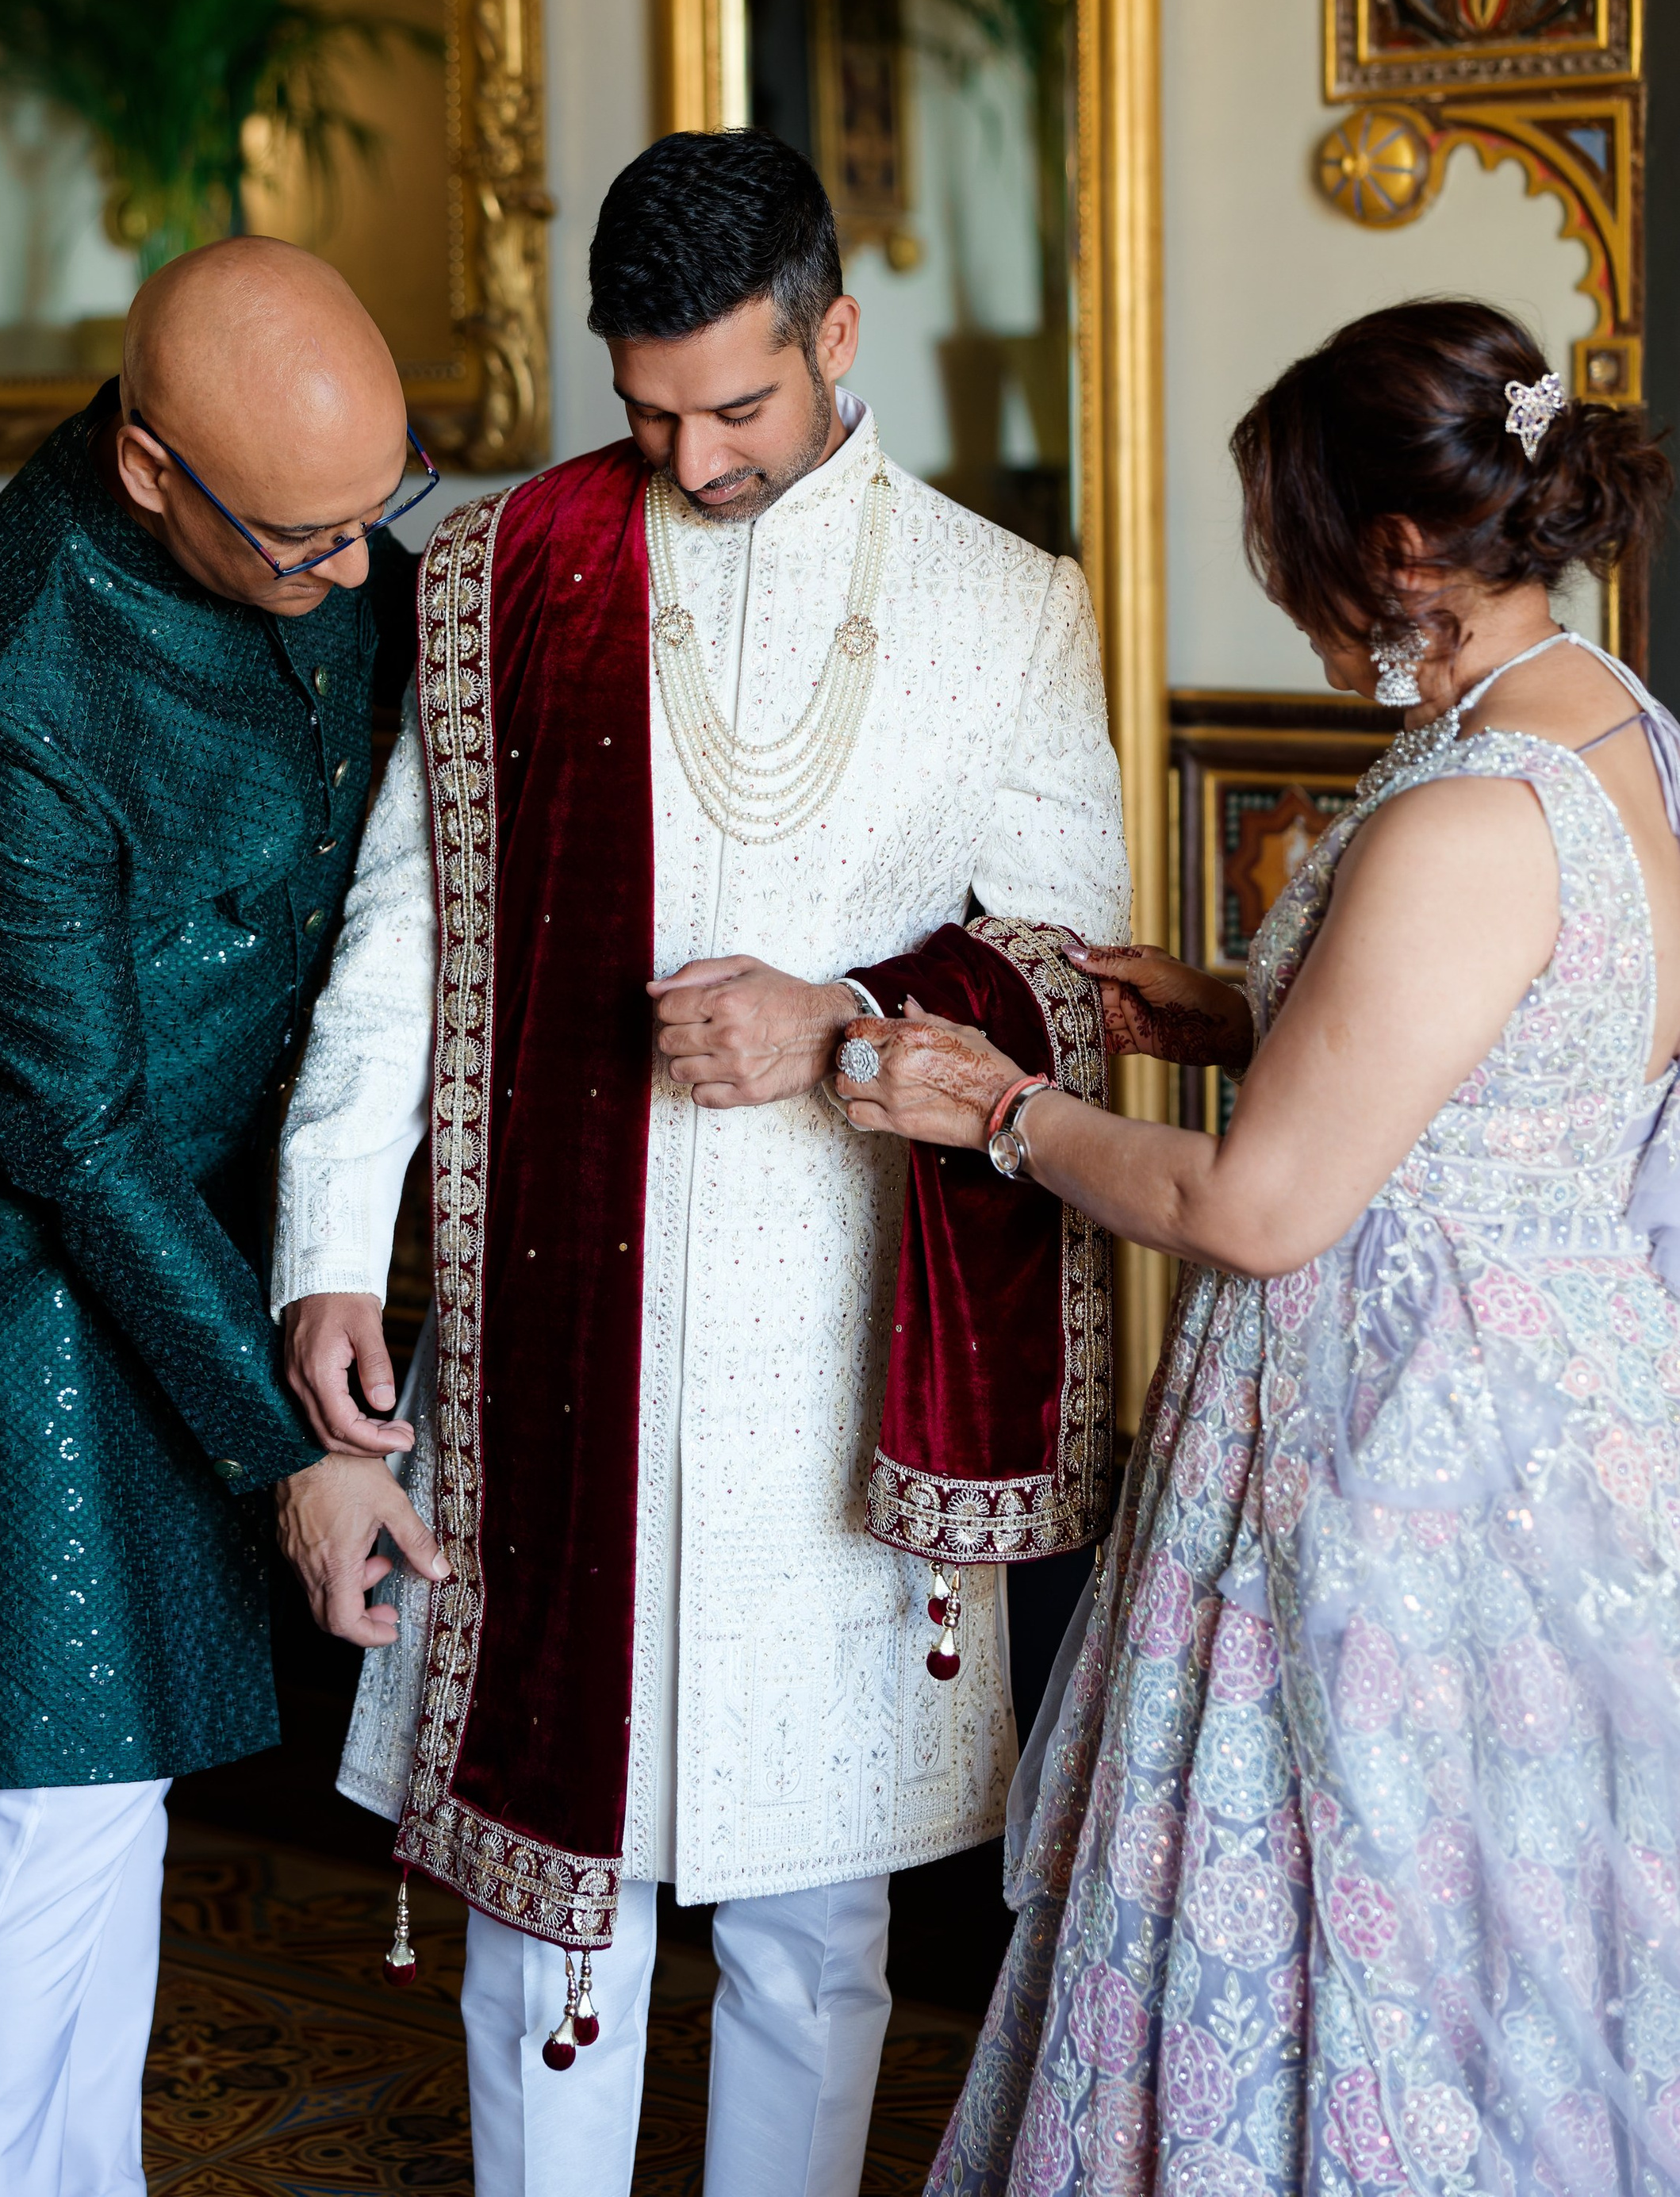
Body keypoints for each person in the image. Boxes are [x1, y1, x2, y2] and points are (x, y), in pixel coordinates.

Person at [270, 128, 1133, 2197]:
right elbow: (403, 937)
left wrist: (839, 1021)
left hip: (837, 1359)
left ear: (839, 337)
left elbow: (1071, 988)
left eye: (739, 404)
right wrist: (328, 1255)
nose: (692, 456)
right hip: (549, 1343)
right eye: (645, 407)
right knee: (541, 1922)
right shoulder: (506, 576)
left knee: (812, 1928)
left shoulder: (1006, 612)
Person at [835, 297, 1680, 2197]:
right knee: (1503, 1944)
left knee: (1343, 1908)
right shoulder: (1603, 721)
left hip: (1397, 1454)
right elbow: (1508, 1047)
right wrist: (1236, 1018)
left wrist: (984, 1102)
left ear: (1391, 551)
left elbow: (1256, 1210)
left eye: (1292, 545)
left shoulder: (1468, 809)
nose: (1288, 590)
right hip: (1556, 1407)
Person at [0, 238, 449, 2197]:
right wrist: (284, 1447)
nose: (358, 578)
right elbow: (75, 1136)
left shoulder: (327, 527)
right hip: (27, 1239)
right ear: (149, 468)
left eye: (383, 514)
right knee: (57, 1789)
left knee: (130, 1781)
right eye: (300, 542)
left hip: (218, 1206)